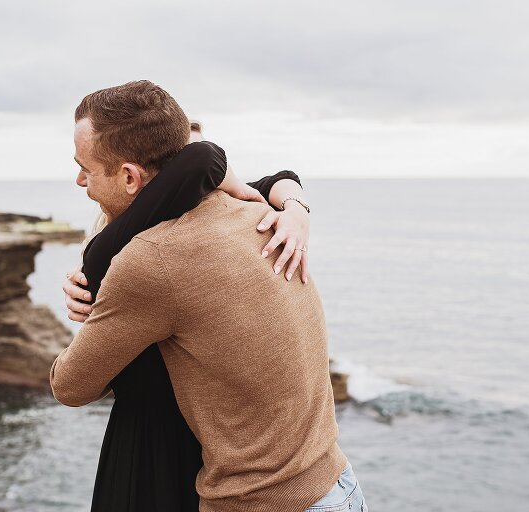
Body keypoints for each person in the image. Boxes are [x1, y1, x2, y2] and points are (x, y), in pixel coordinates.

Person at [50, 80, 368, 512]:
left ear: (129, 177)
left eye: (85, 168)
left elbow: (70, 386)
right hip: (337, 486)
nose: (79, 180)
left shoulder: (152, 259)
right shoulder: (259, 214)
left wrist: (97, 308)